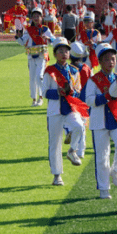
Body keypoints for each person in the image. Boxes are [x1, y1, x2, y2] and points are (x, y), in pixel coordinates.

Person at [84, 44, 117, 199]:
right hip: (99, 121)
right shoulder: (93, 80)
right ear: (100, 62)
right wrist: (105, 97)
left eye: (113, 59)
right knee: (102, 157)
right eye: (107, 59)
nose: (111, 62)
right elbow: (88, 100)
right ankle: (104, 189)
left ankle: (116, 169)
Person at [41, 38, 87, 186]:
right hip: (54, 110)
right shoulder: (49, 71)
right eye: (60, 51)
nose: (64, 53)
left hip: (70, 108)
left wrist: (72, 92)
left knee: (79, 126)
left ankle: (72, 150)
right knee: (55, 144)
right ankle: (57, 175)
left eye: (66, 50)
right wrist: (58, 93)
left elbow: (78, 90)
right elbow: (44, 92)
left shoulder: (74, 70)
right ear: (54, 53)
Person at [21, 6, 55, 106]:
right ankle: (34, 99)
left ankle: (41, 97)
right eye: (34, 16)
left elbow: (53, 40)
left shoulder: (45, 29)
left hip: (41, 55)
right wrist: (18, 36)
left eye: (38, 16)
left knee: (39, 76)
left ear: (41, 17)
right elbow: (23, 41)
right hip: (31, 56)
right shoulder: (28, 29)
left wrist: (48, 38)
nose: (36, 18)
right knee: (32, 78)